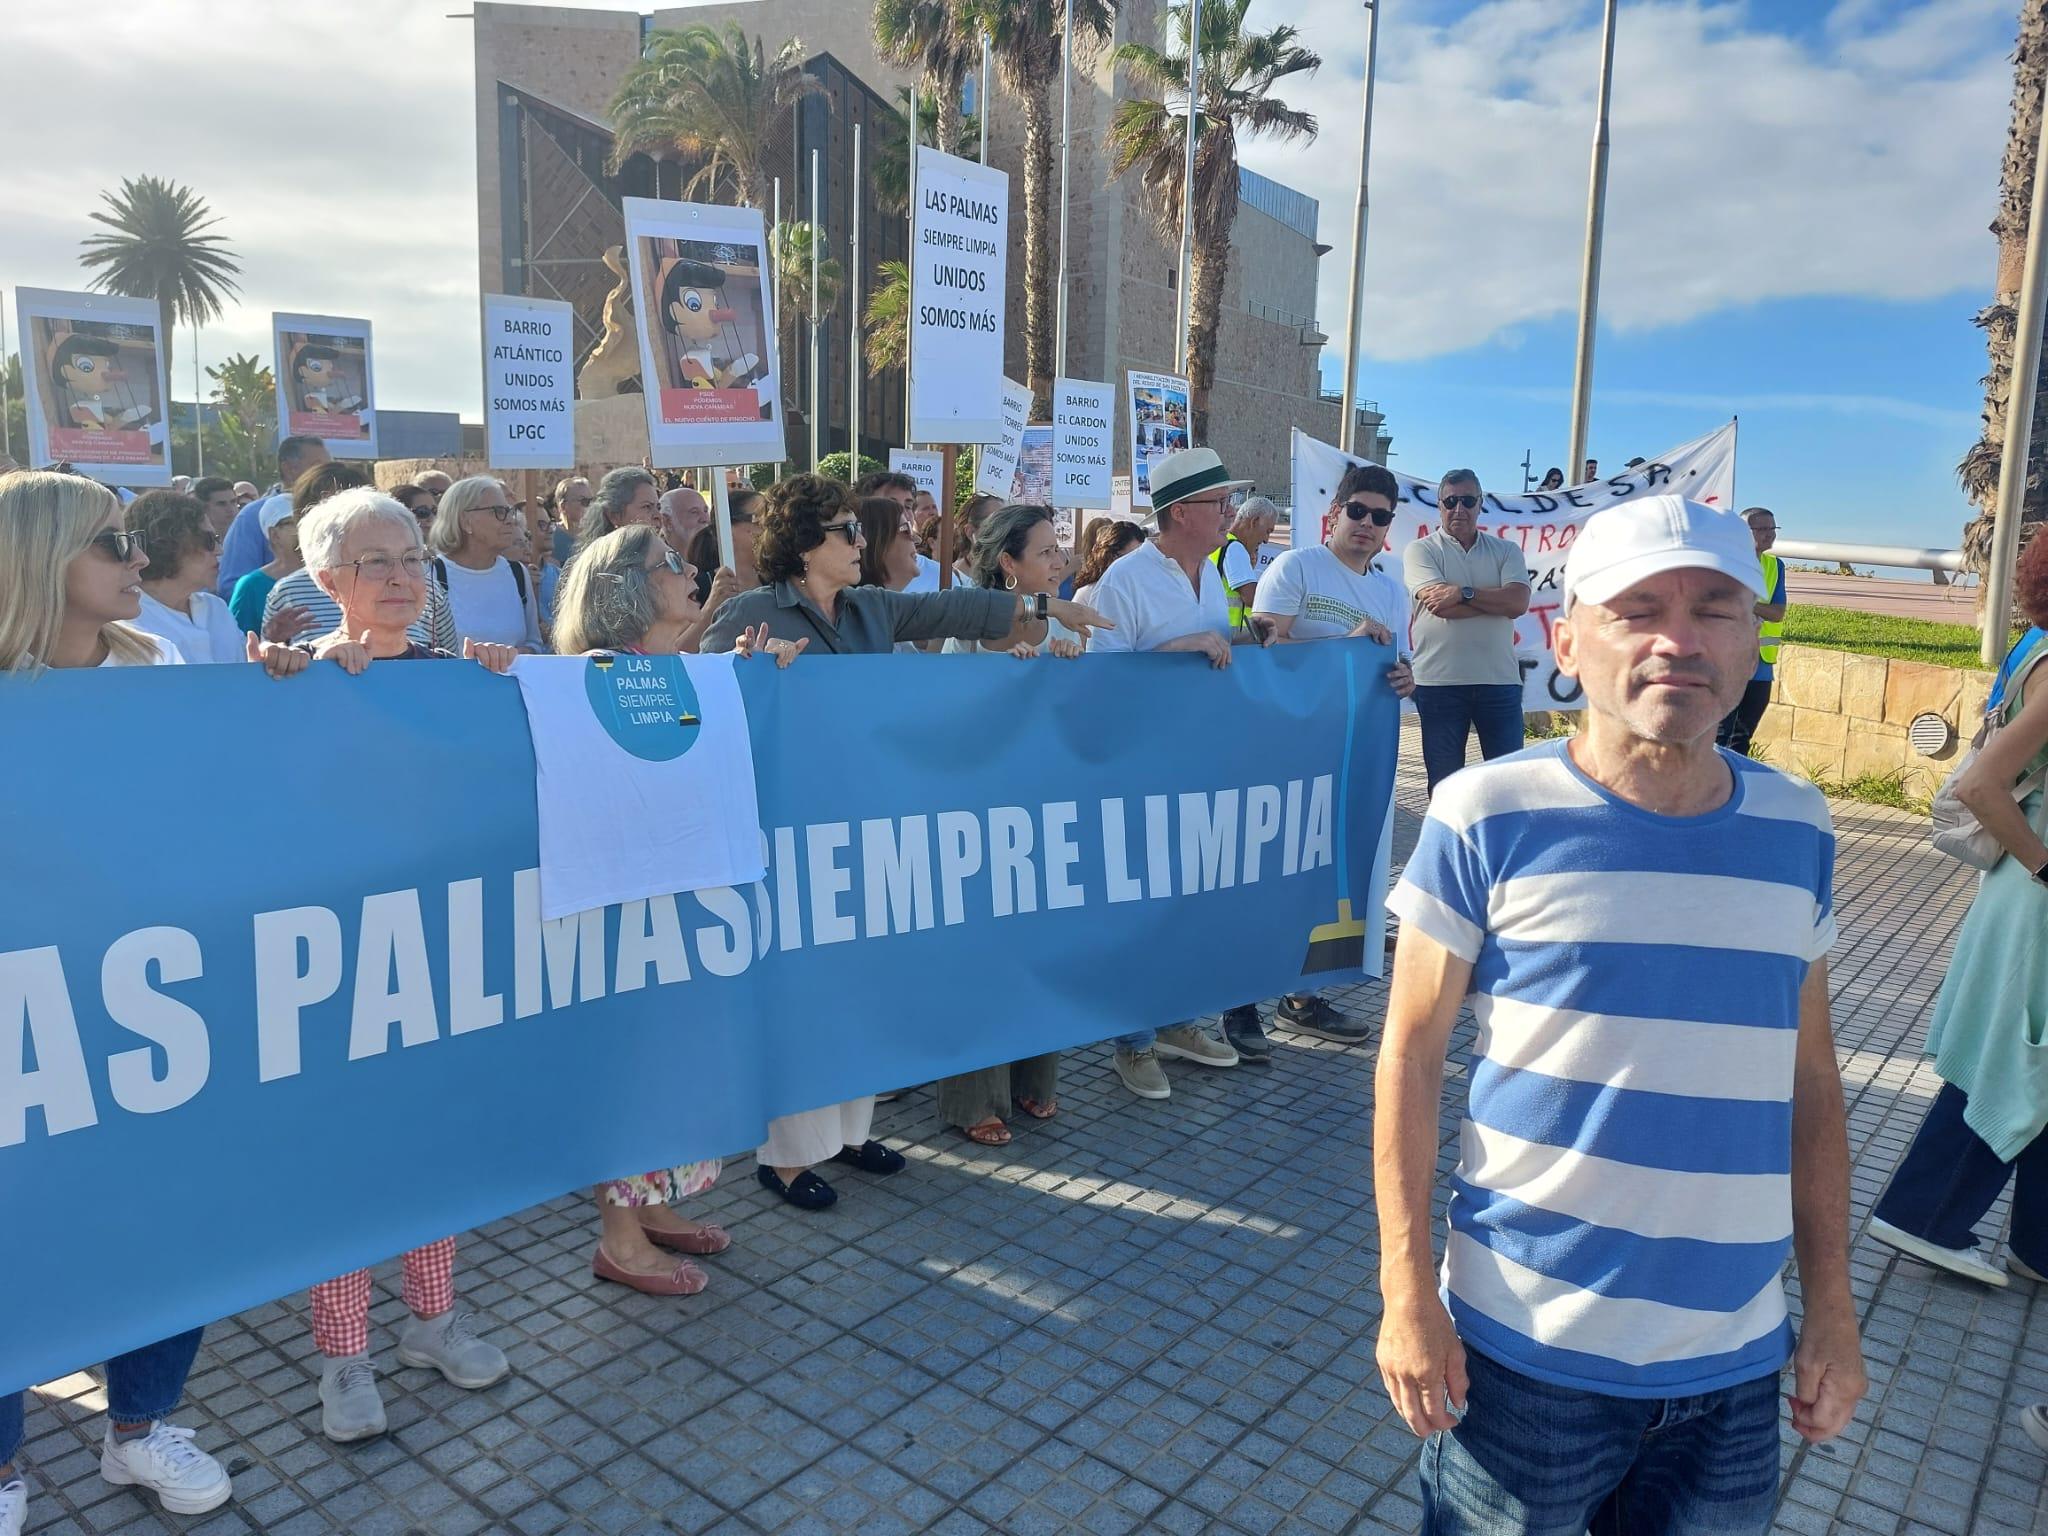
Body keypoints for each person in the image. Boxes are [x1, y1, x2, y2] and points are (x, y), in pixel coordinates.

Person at [1374, 495, 1864, 1534]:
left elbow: (1811, 1080)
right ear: (1564, 643)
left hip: (1735, 1369)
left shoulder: (1799, 823)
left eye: (1714, 609)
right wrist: (1406, 1295)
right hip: (1522, 1359)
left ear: (1751, 640)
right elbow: (1409, 1057)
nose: (1678, 640)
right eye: (1636, 610)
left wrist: (1830, 1305)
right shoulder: (1484, 812)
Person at [701, 474, 1107, 1209]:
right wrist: (747, 668)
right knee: (805, 995)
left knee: (865, 986)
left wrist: (1047, 606)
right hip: (790, 834)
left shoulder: (869, 608)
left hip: (866, 823)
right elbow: (700, 696)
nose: (862, 542)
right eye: (846, 531)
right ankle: (787, 1158)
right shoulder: (752, 611)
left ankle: (849, 1134)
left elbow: (954, 606)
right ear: (804, 544)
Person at [0, 472, 240, 1524]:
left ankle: (138, 1429)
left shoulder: (161, 669)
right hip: (23, 1007)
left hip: (150, 1001)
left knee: (161, 1214)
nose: (139, 558)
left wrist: (305, 686)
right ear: (39, 557)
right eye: (112, 542)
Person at [549, 521, 797, 1295]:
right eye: (669, 563)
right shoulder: (586, 679)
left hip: (686, 904)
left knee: (680, 1062)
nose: (691, 571)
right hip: (621, 915)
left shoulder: (683, 673)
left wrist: (756, 678)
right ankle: (620, 1240)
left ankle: (656, 1206)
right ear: (626, 587)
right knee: (631, 1070)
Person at [1866, 533, 2048, 1290]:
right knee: (2014, 1052)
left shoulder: (2035, 646)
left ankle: (2037, 1243)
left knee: (2029, 1051)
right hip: (2037, 890)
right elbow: (1979, 784)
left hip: (2023, 885)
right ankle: (1926, 1215)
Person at [1087, 446, 1275, 1088]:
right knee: (1141, 907)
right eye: (1220, 502)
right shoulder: (1125, 579)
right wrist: (1177, 647)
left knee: (1186, 902)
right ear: (1181, 512)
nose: (1230, 512)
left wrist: (1257, 635)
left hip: (1199, 765)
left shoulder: (1213, 574)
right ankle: (1134, 1042)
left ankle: (1173, 1019)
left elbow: (1213, 651)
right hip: (1141, 769)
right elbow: (1101, 676)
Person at [1252, 462, 1415, 1047]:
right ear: (1334, 513)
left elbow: (1398, 664)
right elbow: (1263, 653)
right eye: (1358, 511)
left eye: (1380, 517)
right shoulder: (1296, 567)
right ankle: (1240, 1005)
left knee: (1324, 879)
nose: (1367, 523)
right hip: (1286, 754)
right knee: (1267, 877)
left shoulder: (1391, 592)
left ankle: (1300, 1000)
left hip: (1349, 758)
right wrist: (1342, 649)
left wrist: (1405, 678)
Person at [934, 505, 1082, 1145]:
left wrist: (1074, 677)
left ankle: (1033, 1080)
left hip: (1047, 810)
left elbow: (1087, 731)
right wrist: (998, 684)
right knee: (981, 954)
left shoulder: (1068, 627)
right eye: (1045, 551)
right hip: (978, 815)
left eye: (1059, 549)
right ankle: (975, 1099)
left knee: (1042, 946)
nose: (1059, 561)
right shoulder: (968, 629)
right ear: (1008, 563)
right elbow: (944, 719)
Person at [1403, 469, 1532, 795]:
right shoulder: (1420, 550)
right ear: (1439, 505)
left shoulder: (1507, 550)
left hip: (1499, 684)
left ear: (1480, 503)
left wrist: (1462, 593)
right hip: (1439, 685)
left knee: (1509, 788)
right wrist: (1496, 602)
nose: (1458, 509)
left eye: (1467, 501)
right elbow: (1440, 607)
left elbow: (1518, 603)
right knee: (1446, 791)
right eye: (1450, 501)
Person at [262, 466, 459, 652]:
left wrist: (477, 670)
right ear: (329, 581)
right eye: (377, 561)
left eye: (412, 559)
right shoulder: (306, 666)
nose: (401, 578)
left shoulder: (444, 664)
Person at [124, 491, 247, 664]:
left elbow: (247, 665)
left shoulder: (216, 608)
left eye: (216, 539)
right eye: (208, 540)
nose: (219, 551)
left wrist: (270, 652)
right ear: (167, 542)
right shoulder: (128, 620)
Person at [425, 476, 545, 652]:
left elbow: (535, 643)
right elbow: (421, 649)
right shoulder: (432, 575)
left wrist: (511, 656)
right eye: (498, 511)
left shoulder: (518, 573)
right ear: (466, 520)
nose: (510, 520)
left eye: (508, 511)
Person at [217, 434, 330, 595]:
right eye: (317, 466)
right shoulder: (252, 517)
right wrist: (281, 602)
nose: (327, 473)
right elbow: (232, 586)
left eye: (329, 466)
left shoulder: (333, 512)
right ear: (289, 468)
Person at [1716, 507, 1786, 756]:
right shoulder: (1724, 563)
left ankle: (1735, 776)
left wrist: (1747, 603)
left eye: (1773, 528)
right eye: (1762, 529)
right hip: (1727, 660)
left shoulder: (1775, 566)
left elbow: (1777, 612)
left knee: (1743, 736)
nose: (1770, 534)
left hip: (1761, 665)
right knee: (1719, 734)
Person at [228, 495, 307, 635]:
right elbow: (236, 642)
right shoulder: (251, 586)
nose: (304, 527)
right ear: (274, 534)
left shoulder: (327, 578)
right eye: (294, 522)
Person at [857, 470, 941, 591]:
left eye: (908, 506)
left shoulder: (940, 576)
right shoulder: (845, 574)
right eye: (889, 505)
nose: (902, 514)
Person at [569, 466, 662, 566]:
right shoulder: (588, 565)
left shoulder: (665, 562)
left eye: (658, 507)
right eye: (647, 507)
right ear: (614, 516)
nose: (658, 516)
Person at [1211, 495, 1277, 628]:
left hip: (1216, 628)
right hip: (1229, 633)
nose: (1266, 540)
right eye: (1267, 531)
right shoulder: (1235, 548)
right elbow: (1251, 598)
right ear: (1255, 522)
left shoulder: (1221, 543)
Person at [1070, 519, 1146, 609]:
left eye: (1140, 557)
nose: (1135, 565)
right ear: (1110, 557)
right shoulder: (1087, 594)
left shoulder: (1146, 591)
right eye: (1127, 558)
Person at [659, 484, 710, 554]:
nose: (705, 519)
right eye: (694, 512)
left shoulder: (718, 554)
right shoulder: (654, 558)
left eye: (705, 511)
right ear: (667, 522)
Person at [552, 475, 593, 562]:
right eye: (584, 501)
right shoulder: (550, 536)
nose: (590, 506)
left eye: (592, 500)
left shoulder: (596, 536)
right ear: (563, 506)